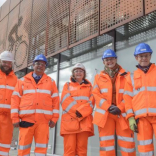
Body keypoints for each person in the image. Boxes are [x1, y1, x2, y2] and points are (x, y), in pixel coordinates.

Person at [11, 54, 59, 155]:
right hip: (26, 121)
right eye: (37, 63)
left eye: (42, 64)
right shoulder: (22, 81)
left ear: (45, 67)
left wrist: (54, 118)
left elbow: (55, 101)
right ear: (33, 65)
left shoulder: (51, 82)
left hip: (43, 122)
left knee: (41, 151)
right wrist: (15, 118)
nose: (40, 66)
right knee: (23, 149)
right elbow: (15, 99)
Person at [92, 49, 136, 156]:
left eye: (111, 59)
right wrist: (108, 107)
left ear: (116, 59)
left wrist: (120, 107)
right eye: (106, 60)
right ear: (103, 62)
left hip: (122, 113)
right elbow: (96, 95)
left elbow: (130, 94)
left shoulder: (127, 75)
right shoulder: (98, 77)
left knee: (127, 144)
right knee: (106, 145)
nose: (109, 61)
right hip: (105, 116)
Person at [124, 43, 156, 156]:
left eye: (146, 55)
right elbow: (127, 98)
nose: (144, 58)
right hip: (141, 120)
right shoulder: (131, 76)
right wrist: (130, 117)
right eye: (141, 56)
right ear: (136, 58)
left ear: (150, 56)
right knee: (144, 149)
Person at [60, 63, 95, 156]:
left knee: (82, 151)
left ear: (84, 73)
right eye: (76, 71)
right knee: (69, 151)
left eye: (80, 71)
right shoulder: (67, 85)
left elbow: (92, 102)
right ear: (73, 73)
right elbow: (65, 101)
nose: (78, 73)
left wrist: (81, 112)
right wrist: (77, 112)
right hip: (69, 124)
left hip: (84, 123)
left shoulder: (90, 87)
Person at [0, 51, 17, 155]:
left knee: (5, 144)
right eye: (4, 62)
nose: (7, 65)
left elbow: (17, 98)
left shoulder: (15, 79)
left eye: (9, 63)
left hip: (8, 117)